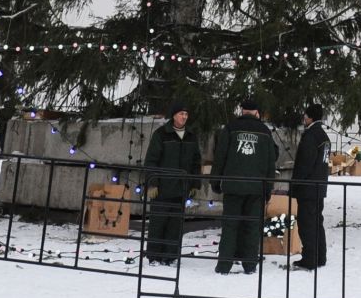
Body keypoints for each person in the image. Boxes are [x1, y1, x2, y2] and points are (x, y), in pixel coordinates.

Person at [211, 96, 278, 275]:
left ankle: (224, 265)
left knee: (230, 226)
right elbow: (271, 163)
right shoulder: (265, 131)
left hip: (233, 187)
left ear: (242, 111)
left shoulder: (231, 128)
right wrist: (268, 188)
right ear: (257, 112)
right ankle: (250, 265)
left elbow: (220, 157)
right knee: (252, 227)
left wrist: (215, 181)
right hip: (256, 189)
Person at [142, 103, 201, 265]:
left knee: (175, 226)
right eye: (182, 113)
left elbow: (196, 162)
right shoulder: (161, 134)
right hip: (162, 188)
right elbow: (151, 161)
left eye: (186, 114)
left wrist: (195, 184)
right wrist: (152, 184)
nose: (184, 117)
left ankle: (170, 256)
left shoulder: (191, 136)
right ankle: (154, 256)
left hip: (182, 189)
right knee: (158, 223)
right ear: (174, 115)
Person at [290, 104, 331, 270]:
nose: (304, 118)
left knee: (307, 224)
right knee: (317, 222)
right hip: (319, 186)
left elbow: (304, 164)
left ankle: (310, 259)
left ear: (311, 117)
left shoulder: (311, 136)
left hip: (308, 188)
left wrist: (295, 184)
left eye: (305, 115)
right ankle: (320, 256)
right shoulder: (323, 136)